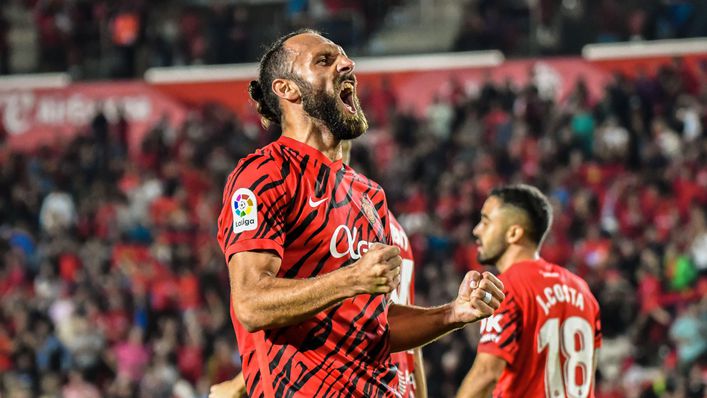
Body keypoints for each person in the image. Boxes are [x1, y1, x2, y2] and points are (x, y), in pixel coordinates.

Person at [216, 29, 504, 397]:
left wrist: (452, 313)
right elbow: (251, 303)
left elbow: (376, 326)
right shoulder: (264, 173)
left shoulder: (369, 195)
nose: (348, 64)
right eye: (324, 60)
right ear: (287, 90)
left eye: (344, 57)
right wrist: (352, 279)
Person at [210, 143, 428, 398]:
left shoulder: (338, 214)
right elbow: (401, 341)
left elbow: (329, 321)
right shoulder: (390, 225)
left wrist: (238, 386)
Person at [456, 184, 602, 398]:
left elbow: (486, 374)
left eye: (486, 221)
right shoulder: (583, 291)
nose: (476, 230)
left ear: (514, 233)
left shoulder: (505, 288)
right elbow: (590, 370)